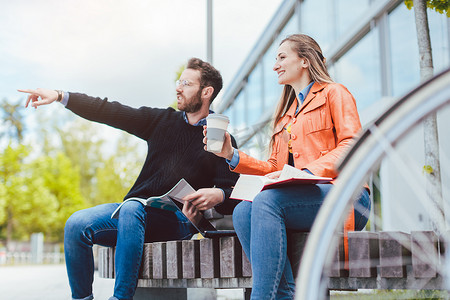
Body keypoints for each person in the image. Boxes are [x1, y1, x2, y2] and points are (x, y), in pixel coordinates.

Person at [19, 57, 240, 300]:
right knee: (76, 225)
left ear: (206, 92)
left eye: (186, 83)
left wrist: (217, 194)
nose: (178, 87)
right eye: (179, 81)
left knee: (133, 206)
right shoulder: (161, 121)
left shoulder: (222, 140)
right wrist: (61, 96)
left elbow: (233, 197)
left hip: (177, 221)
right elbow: (109, 110)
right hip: (131, 217)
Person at [204, 34, 371, 300]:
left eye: (282, 57)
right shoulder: (285, 115)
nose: (275, 66)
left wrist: (307, 173)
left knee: (267, 202)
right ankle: (287, 295)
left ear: (304, 60)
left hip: (345, 197)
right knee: (243, 211)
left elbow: (352, 145)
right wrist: (232, 155)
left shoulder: (334, 93)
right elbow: (274, 167)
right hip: (301, 199)